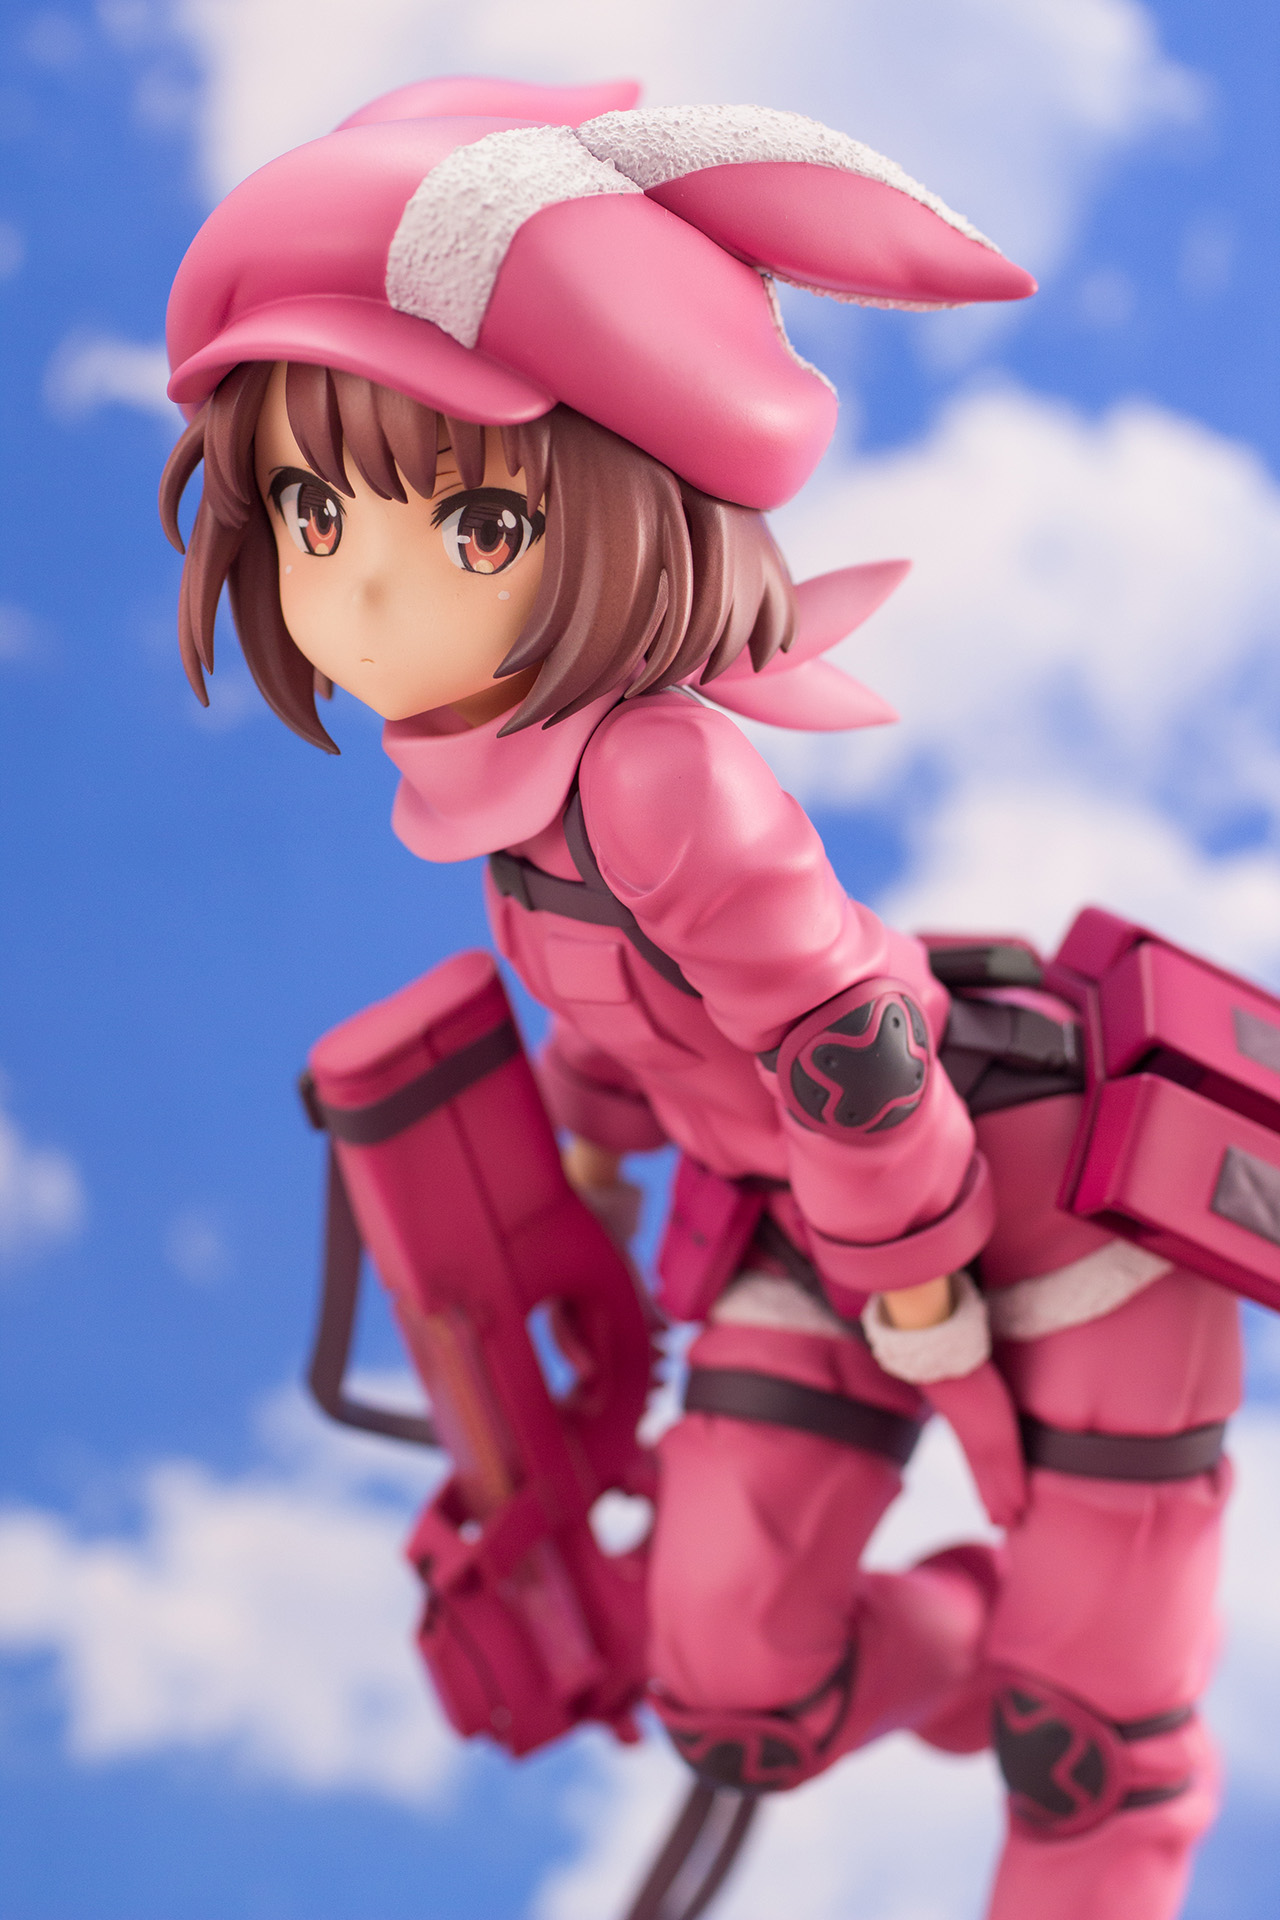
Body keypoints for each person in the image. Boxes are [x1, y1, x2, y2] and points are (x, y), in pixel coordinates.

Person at [159, 76, 1238, 1920]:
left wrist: (917, 1278)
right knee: (738, 1695)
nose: (364, 589)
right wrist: (588, 1173)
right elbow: (623, 1013)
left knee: (1095, 1756)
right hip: (808, 1226)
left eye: (471, 523)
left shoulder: (661, 776)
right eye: (313, 509)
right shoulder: (513, 800)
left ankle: (1093, 1703)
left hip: (1038, 1200)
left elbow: (849, 1040)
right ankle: (1012, 1644)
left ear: (621, 508)